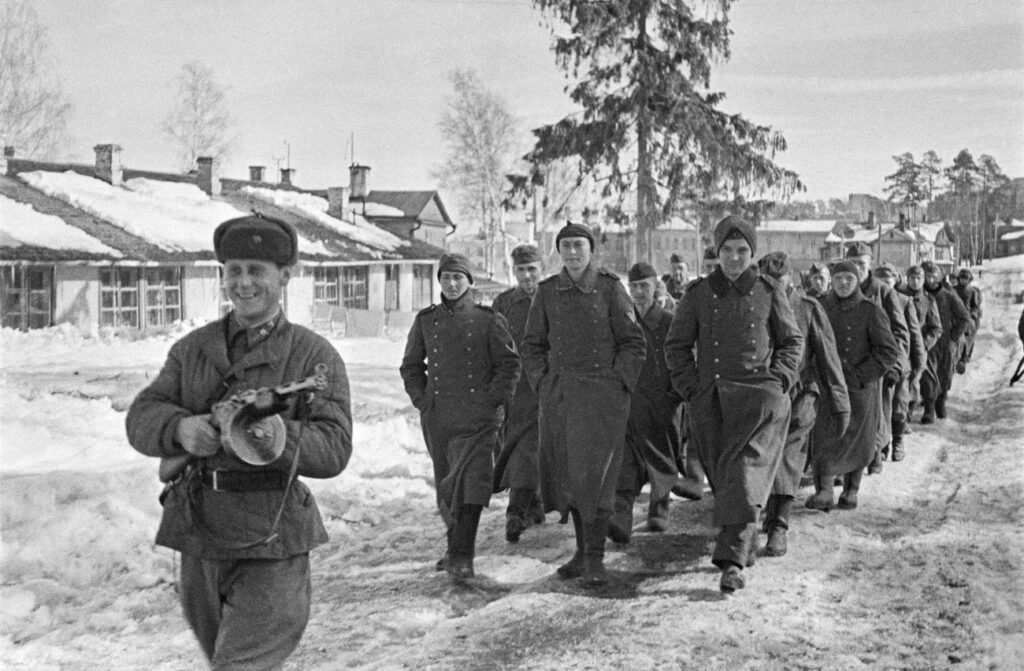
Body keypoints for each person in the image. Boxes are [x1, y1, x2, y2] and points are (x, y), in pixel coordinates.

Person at [125, 214, 353, 670]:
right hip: (201, 534)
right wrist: (182, 430)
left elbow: (334, 447)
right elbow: (142, 416)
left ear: (284, 276)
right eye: (234, 271)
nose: (244, 283)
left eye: (257, 271)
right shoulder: (192, 349)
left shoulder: (313, 355)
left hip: (272, 537)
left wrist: (275, 437)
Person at [664, 216, 803, 593]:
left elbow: (792, 342)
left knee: (745, 476)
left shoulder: (769, 291)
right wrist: (691, 388)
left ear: (752, 253)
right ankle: (745, 539)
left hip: (760, 403)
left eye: (743, 251)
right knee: (726, 481)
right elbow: (676, 347)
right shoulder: (698, 294)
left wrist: (780, 381)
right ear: (717, 253)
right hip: (712, 402)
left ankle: (732, 562)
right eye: (727, 250)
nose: (735, 258)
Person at [521, 221, 646, 587]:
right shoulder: (546, 292)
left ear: (591, 250)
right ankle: (580, 552)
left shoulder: (609, 289)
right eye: (566, 246)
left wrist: (618, 384)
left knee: (599, 478)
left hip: (602, 400)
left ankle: (595, 558)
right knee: (570, 477)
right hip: (560, 398)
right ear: (558, 251)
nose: (572, 253)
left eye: (579, 245)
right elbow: (532, 345)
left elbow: (633, 343)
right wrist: (543, 383)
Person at [400, 253, 521, 580]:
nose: (452, 284)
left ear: (469, 281)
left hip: (479, 420)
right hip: (440, 419)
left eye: (458, 278)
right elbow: (411, 366)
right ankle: (455, 548)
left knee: (473, 484)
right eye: (446, 278)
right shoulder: (426, 320)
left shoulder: (488, 320)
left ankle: (462, 556)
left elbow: (509, 365)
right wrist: (422, 399)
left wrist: (493, 400)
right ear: (439, 281)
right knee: (448, 487)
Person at [756, 251, 849, 557]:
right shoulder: (753, 305)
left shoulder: (807, 308)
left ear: (792, 279)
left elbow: (829, 357)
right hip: (762, 400)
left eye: (778, 280)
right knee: (761, 459)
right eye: (767, 280)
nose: (773, 286)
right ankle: (764, 517)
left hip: (800, 397)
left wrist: (840, 402)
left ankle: (779, 527)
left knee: (788, 459)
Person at [806, 261, 898, 512]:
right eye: (838, 279)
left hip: (860, 388)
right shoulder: (821, 308)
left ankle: (851, 491)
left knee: (858, 439)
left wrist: (862, 375)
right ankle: (824, 491)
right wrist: (816, 374)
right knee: (824, 437)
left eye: (848, 279)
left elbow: (889, 351)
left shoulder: (871, 310)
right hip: (828, 387)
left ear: (857, 280)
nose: (843, 284)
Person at [607, 262, 684, 542]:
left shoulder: (668, 321)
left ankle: (659, 507)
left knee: (662, 457)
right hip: (630, 401)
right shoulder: (623, 322)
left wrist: (674, 395)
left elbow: (682, 359)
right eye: (634, 287)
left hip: (663, 403)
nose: (639, 292)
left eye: (644, 286)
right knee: (626, 460)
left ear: (655, 287)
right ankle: (621, 515)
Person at [492, 244, 545, 543]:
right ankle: (533, 502)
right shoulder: (503, 303)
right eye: (520, 270)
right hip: (512, 388)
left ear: (542, 268)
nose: (526, 276)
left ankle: (515, 511)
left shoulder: (551, 298)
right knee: (510, 448)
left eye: (532, 269)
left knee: (530, 446)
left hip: (543, 386)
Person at [844, 243, 909, 475]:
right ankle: (849, 464)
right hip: (848, 364)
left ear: (870, 264)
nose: (858, 268)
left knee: (877, 414)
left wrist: (896, 367)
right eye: (853, 263)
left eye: (862, 264)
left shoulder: (883, 292)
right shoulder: (841, 288)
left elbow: (901, 333)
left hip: (877, 365)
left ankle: (874, 457)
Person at [874, 262, 926, 462]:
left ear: (896, 281)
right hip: (877, 363)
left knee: (898, 406)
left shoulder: (904, 301)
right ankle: (881, 446)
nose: (886, 284)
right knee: (879, 408)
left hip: (900, 364)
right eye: (881, 280)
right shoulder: (871, 301)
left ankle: (897, 441)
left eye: (889, 280)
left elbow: (913, 334)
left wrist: (918, 364)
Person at [920, 261, 971, 422]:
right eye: (928, 276)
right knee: (926, 375)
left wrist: (954, 338)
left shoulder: (948, 296)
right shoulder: (920, 296)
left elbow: (964, 318)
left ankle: (941, 402)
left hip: (946, 342)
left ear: (940, 277)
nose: (931, 279)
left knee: (945, 374)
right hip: (928, 342)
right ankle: (928, 409)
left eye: (935, 276)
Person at [900, 265, 943, 423]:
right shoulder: (899, 296)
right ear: (907, 279)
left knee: (922, 379)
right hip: (902, 346)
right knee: (903, 379)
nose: (915, 282)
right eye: (912, 278)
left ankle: (926, 410)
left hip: (920, 347)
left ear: (923, 280)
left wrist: (924, 344)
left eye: (919, 278)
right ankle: (905, 413)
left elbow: (936, 328)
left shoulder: (928, 300)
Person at [954, 268, 982, 374]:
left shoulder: (972, 291)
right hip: (955, 317)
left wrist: (973, 316)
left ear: (969, 279)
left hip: (967, 318)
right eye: (962, 278)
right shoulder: (954, 290)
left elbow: (975, 306)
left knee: (966, 338)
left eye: (966, 278)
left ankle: (963, 359)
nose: (963, 280)